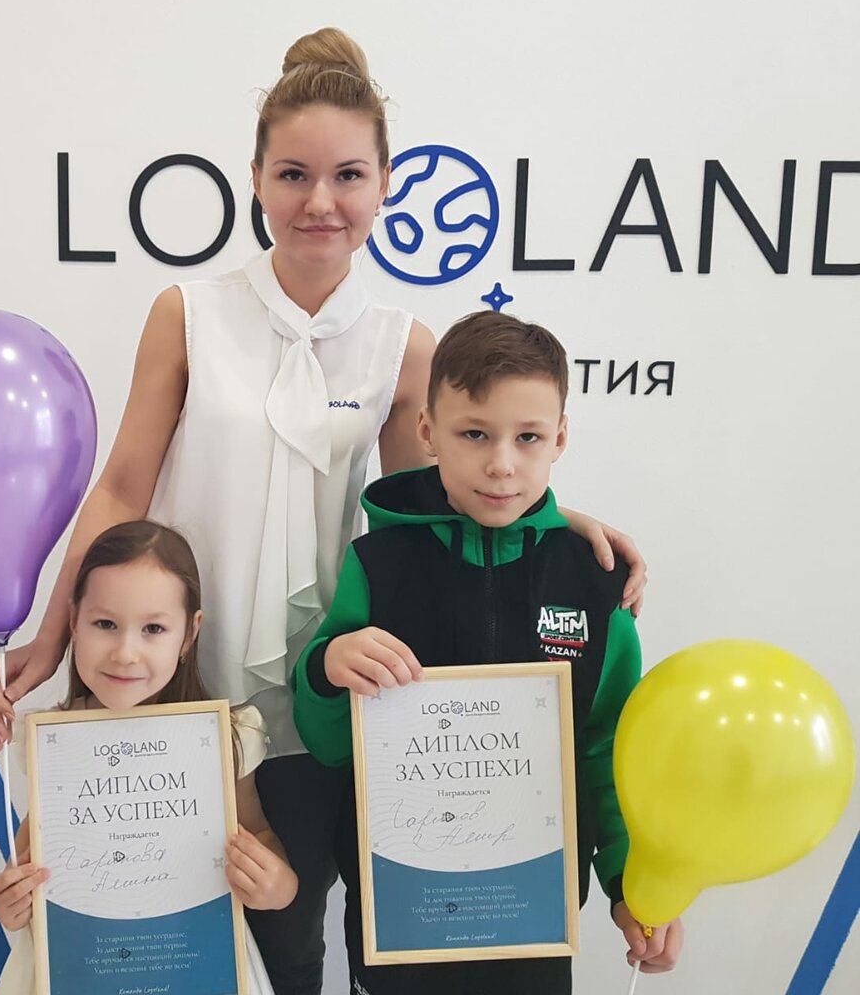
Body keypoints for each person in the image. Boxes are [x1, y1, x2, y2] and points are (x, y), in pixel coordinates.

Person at [0, 28, 647, 995]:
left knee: (290, 940)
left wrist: (562, 522)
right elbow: (123, 485)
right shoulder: (187, 313)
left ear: (385, 186)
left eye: (348, 176)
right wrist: (52, 635)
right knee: (156, 937)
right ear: (255, 178)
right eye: (293, 174)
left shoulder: (402, 345)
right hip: (177, 679)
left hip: (328, 695)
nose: (320, 202)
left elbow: (441, 511)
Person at [292, 311, 683, 995]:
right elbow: (329, 744)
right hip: (399, 912)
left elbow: (608, 751)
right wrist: (327, 672)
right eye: (474, 434)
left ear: (560, 438)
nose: (502, 463)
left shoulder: (596, 584)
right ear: (427, 432)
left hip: (532, 917)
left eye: (528, 437)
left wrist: (630, 885)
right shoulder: (377, 565)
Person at [0, 520, 297, 995]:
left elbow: (258, 834)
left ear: (189, 633)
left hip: (193, 962)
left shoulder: (223, 737)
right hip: (77, 967)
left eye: (153, 628)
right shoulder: (54, 741)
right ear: (73, 622)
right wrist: (8, 901)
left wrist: (278, 886)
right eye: (105, 624)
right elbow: (31, 860)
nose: (125, 653)